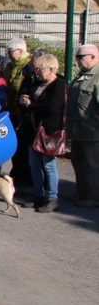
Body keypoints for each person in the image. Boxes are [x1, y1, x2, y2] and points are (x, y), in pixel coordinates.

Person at [18, 53, 66, 213]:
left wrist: (31, 105)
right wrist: (25, 101)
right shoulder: (39, 83)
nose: (37, 72)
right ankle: (38, 195)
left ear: (51, 69)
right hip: (34, 129)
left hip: (49, 131)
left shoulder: (59, 84)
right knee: (34, 164)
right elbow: (34, 100)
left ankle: (52, 198)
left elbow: (52, 108)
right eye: (36, 68)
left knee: (48, 165)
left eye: (40, 69)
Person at [67, 44, 99, 208]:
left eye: (81, 57)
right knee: (78, 162)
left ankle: (94, 197)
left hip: (91, 131)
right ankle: (82, 192)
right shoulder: (83, 75)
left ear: (93, 57)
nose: (77, 61)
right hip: (77, 129)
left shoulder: (97, 76)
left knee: (92, 164)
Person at [4, 38, 34, 189]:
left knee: (23, 145)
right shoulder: (10, 65)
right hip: (11, 108)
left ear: (21, 51)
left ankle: (25, 177)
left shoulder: (28, 65)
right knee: (14, 144)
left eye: (10, 52)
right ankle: (17, 173)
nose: (8, 55)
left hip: (22, 110)